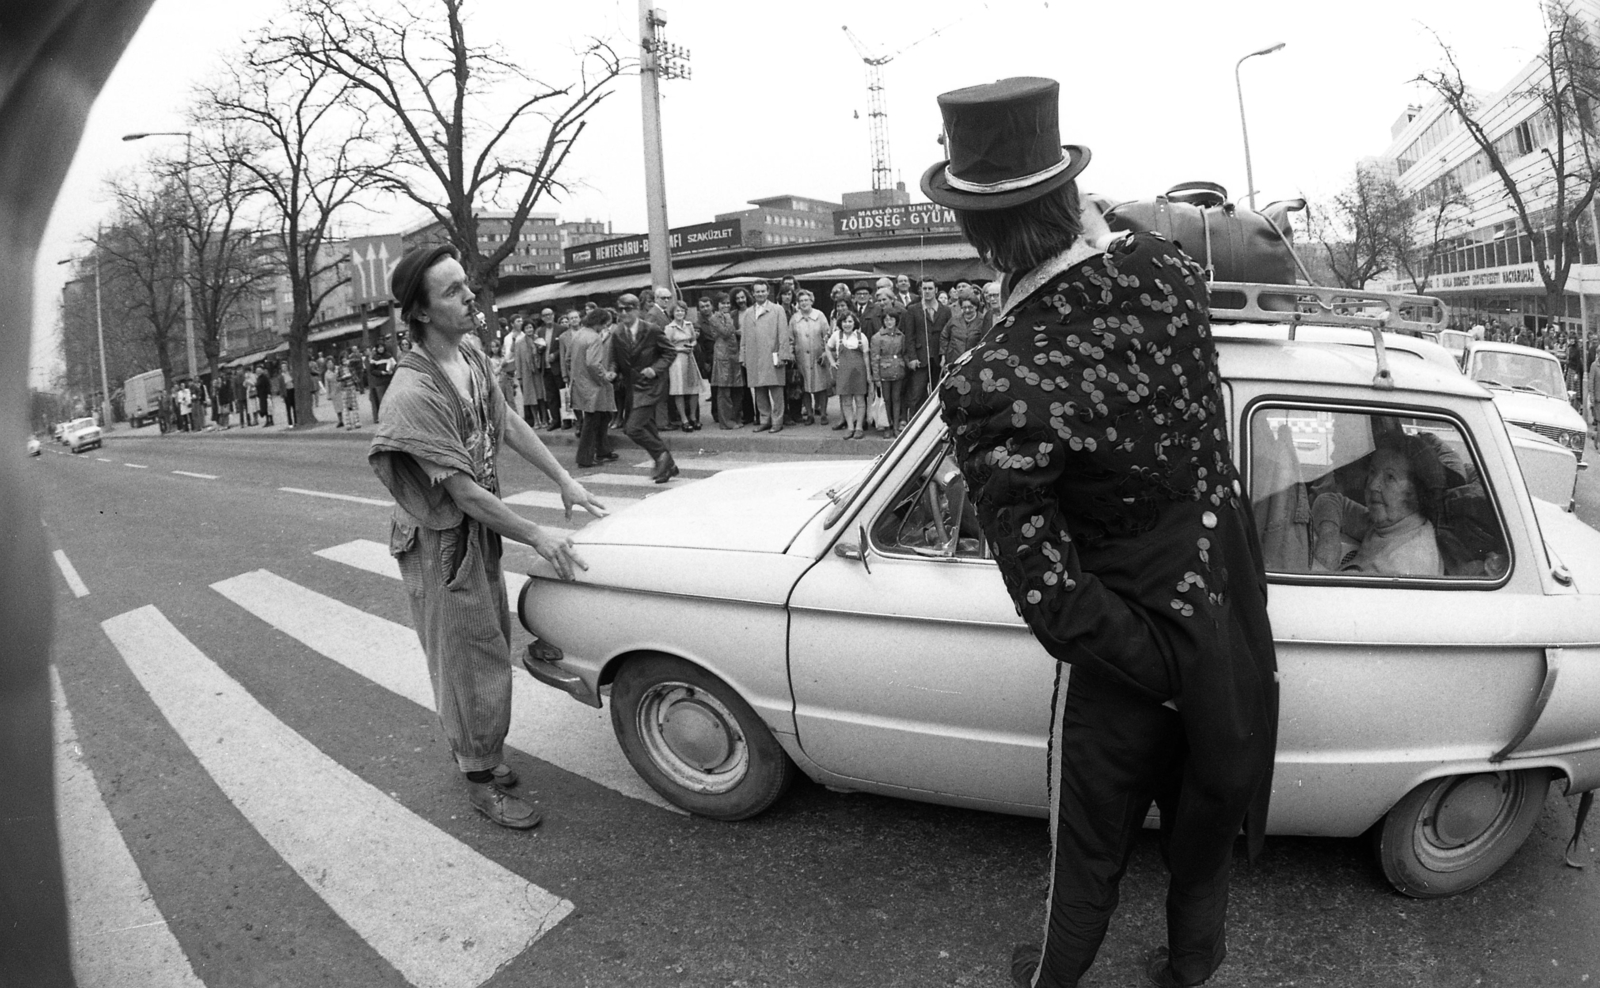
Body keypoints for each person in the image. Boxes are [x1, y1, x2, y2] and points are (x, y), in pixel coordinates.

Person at [924, 77, 1277, 988]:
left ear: (975, 232)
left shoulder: (993, 375)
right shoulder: (1169, 272)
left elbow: (1051, 597)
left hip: (1126, 647)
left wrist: (1161, 668)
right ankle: (1192, 967)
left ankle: (1055, 979)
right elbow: (1140, 234)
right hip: (1226, 602)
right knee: (1206, 810)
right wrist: (1197, 655)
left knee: (1086, 846)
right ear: (1071, 192)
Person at [368, 245, 604, 831]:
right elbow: (464, 495)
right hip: (443, 542)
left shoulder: (469, 352)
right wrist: (538, 537)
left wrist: (563, 479)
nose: (470, 296)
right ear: (420, 314)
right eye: (452, 292)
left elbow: (507, 421)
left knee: (488, 645)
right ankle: (480, 778)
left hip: (476, 533)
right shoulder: (411, 394)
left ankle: (481, 754)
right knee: (469, 658)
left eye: (464, 285)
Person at [1310, 434, 1445, 576]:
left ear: (1418, 490)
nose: (1373, 484)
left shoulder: (1400, 566)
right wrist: (1329, 537)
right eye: (1373, 472)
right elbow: (1329, 500)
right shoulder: (1393, 525)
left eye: (1390, 477)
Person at [611, 293, 679, 482]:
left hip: (651, 386)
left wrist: (655, 369)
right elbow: (614, 360)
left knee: (632, 429)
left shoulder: (651, 330)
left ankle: (661, 457)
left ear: (637, 310)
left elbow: (670, 352)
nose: (624, 313)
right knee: (648, 429)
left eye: (628, 308)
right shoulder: (617, 333)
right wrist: (612, 372)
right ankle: (668, 466)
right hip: (632, 389)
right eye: (620, 309)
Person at [570, 307, 620, 467]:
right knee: (593, 421)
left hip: (580, 382)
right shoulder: (594, 338)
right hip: (593, 385)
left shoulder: (579, 334)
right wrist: (604, 376)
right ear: (598, 323)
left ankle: (603, 450)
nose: (604, 328)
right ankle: (585, 458)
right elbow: (592, 363)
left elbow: (570, 358)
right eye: (604, 324)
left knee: (601, 417)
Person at [739, 281, 792, 432]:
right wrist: (743, 356)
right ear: (753, 293)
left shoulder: (777, 310)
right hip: (754, 356)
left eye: (763, 291)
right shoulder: (749, 312)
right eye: (757, 291)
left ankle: (777, 421)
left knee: (776, 391)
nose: (760, 294)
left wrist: (783, 355)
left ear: (768, 292)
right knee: (759, 390)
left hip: (772, 355)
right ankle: (765, 419)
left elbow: (783, 334)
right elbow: (744, 336)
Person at [905, 276, 952, 407]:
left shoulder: (946, 310)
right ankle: (914, 425)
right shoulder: (913, 310)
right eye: (924, 288)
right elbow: (909, 336)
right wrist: (912, 357)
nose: (927, 291)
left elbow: (949, 335)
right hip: (920, 359)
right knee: (917, 394)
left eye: (930, 288)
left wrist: (945, 356)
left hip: (939, 358)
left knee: (939, 393)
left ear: (936, 290)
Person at [790, 290, 833, 425]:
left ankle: (824, 413)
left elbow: (828, 336)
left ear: (811, 301)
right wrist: (791, 354)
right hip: (801, 358)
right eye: (801, 301)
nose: (803, 303)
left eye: (806, 300)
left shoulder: (819, 315)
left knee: (821, 386)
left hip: (818, 357)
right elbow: (790, 339)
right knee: (805, 387)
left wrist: (826, 353)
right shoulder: (794, 318)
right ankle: (809, 414)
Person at [828, 310, 871, 439]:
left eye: (850, 321)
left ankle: (859, 427)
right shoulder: (836, 336)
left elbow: (866, 356)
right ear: (840, 323)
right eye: (844, 321)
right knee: (846, 400)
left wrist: (868, 374)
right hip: (843, 372)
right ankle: (850, 426)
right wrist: (832, 362)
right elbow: (828, 348)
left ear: (854, 323)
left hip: (859, 372)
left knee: (859, 400)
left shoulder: (861, 336)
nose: (847, 324)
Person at [707, 292, 744, 429]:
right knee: (724, 391)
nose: (726, 306)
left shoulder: (729, 316)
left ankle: (735, 417)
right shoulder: (714, 318)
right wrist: (730, 321)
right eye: (723, 303)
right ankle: (726, 421)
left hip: (734, 355)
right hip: (722, 356)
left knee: (736, 389)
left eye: (728, 303)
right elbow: (725, 332)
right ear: (717, 305)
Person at [664, 301, 703, 431]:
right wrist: (680, 350)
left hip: (690, 357)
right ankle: (684, 419)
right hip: (677, 360)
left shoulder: (689, 325)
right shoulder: (669, 328)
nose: (680, 313)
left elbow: (693, 339)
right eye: (677, 311)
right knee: (679, 390)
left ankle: (693, 417)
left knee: (693, 388)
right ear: (672, 313)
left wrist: (692, 344)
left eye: (682, 311)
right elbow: (666, 346)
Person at [869, 309, 908, 436]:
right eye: (886, 320)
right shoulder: (877, 337)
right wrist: (876, 377)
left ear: (896, 321)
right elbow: (874, 358)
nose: (889, 322)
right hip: (884, 372)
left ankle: (896, 426)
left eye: (892, 319)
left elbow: (904, 353)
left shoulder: (901, 336)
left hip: (898, 370)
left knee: (896, 399)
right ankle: (887, 426)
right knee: (886, 400)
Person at [368, 345, 396, 421]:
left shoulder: (389, 356)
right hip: (379, 382)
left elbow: (394, 366)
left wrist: (391, 371)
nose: (381, 349)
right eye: (379, 347)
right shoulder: (374, 359)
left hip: (389, 381)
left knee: (391, 399)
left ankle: (393, 416)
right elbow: (372, 371)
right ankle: (385, 417)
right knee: (382, 400)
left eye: (382, 347)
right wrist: (380, 372)